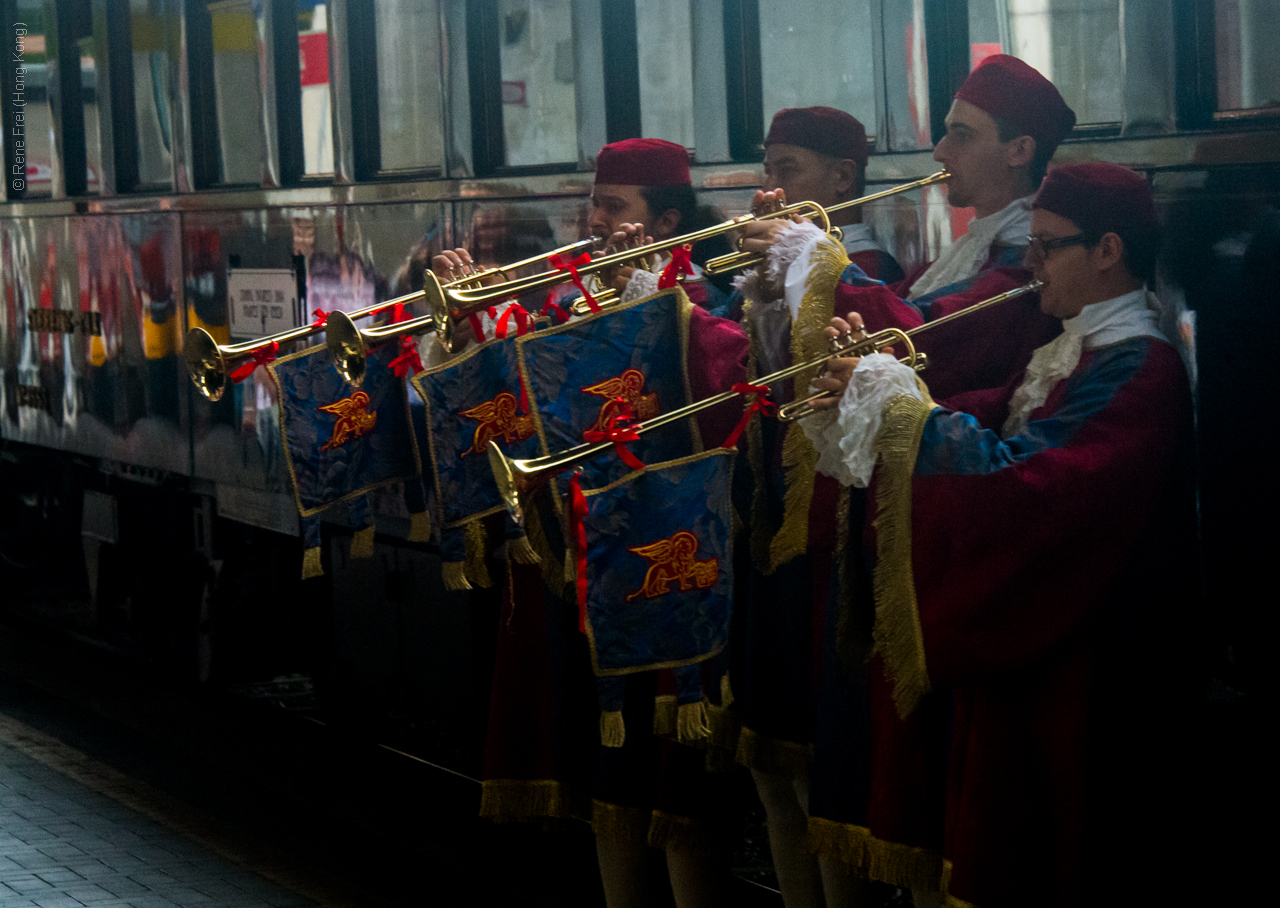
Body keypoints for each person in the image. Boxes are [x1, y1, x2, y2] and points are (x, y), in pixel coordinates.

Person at [800, 161, 1194, 906]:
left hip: (1091, 681)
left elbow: (1030, 486)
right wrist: (875, 382)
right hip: (1041, 659)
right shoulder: (1079, 348)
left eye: (1046, 246)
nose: (1029, 263)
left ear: (1108, 251)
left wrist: (902, 405)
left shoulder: (1142, 369)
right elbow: (993, 414)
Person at [733, 57, 1078, 899]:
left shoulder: (1023, 257)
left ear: (1020, 149)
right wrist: (786, 297)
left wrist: (821, 265)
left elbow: (937, 344)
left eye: (961, 132)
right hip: (893, 526)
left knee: (928, 816)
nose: (939, 147)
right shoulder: (967, 246)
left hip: (947, 542)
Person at [437, 138, 748, 908]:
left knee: (676, 782)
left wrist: (647, 302)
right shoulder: (569, 303)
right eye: (593, 204)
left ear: (664, 220)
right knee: (609, 776)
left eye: (613, 207)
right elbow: (515, 404)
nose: (592, 220)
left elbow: (721, 379)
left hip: (671, 568)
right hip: (592, 561)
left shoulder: (707, 298)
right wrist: (473, 321)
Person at [730, 107, 903, 908]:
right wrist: (769, 299)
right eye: (766, 169)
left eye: (789, 168)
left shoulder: (879, 273)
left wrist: (808, 273)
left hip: (834, 546)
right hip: (778, 536)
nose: (771, 191)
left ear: (842, 179)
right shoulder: (792, 271)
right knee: (774, 768)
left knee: (821, 776)